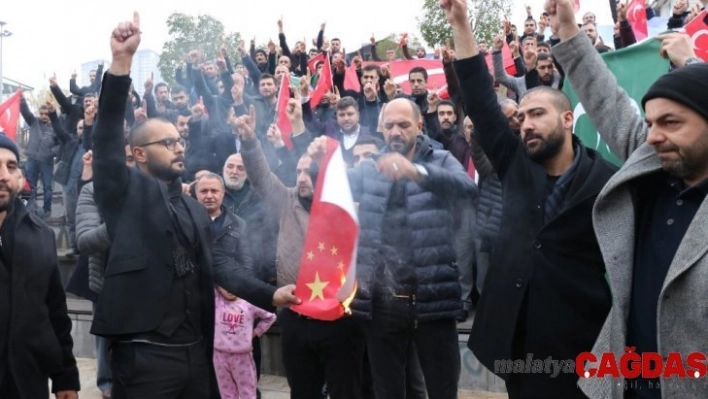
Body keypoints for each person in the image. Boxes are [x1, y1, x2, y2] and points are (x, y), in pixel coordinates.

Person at [90, 13, 299, 399]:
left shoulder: (192, 208)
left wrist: (269, 294)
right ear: (138, 153)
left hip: (197, 353)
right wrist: (120, 65)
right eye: (166, 143)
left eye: (178, 141)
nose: (179, 146)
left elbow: (218, 266)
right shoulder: (123, 194)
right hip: (144, 356)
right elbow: (104, 143)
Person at [443, 0, 617, 397]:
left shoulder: (606, 181)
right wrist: (460, 24)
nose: (526, 124)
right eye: (521, 117)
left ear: (568, 118)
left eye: (537, 113)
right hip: (517, 339)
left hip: (580, 345)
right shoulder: (515, 163)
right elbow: (481, 102)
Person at [546, 0, 708, 397]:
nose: (652, 136)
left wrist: (691, 67)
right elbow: (608, 102)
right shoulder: (654, 169)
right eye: (651, 123)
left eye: (671, 122)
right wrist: (568, 29)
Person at [309, 97, 477, 399]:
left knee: (442, 389)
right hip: (383, 303)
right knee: (387, 390)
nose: (395, 131)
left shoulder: (439, 160)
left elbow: (467, 190)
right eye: (389, 126)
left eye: (403, 124)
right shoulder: (372, 167)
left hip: (433, 299)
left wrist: (417, 173)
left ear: (419, 124)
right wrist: (315, 162)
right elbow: (332, 190)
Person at [0, 134, 80, 399]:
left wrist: (65, 376)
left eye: (11, 166)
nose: (3, 175)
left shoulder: (41, 234)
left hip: (28, 382)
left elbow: (55, 309)